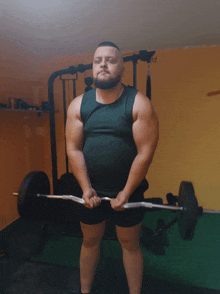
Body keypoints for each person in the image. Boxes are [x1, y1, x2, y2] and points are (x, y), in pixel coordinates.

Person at [66, 41, 159, 294]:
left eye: (111, 59)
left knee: (129, 243)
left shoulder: (139, 103)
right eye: (98, 60)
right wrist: (86, 189)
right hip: (91, 191)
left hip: (128, 190)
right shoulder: (77, 105)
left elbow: (145, 153)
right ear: (93, 67)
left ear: (122, 68)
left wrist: (126, 192)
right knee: (90, 240)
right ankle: (85, 291)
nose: (103, 64)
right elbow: (73, 149)